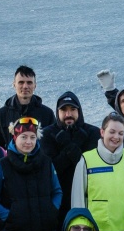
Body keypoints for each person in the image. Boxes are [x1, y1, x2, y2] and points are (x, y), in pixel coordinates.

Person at [43, 91, 101, 222]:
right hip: (58, 197)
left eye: (73, 109)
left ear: (79, 111)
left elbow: (88, 167)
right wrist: (73, 145)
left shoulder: (93, 133)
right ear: (57, 112)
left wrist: (68, 145)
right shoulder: (47, 134)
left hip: (88, 195)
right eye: (64, 110)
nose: (68, 114)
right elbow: (52, 169)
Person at [0, 65, 55, 147]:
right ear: (14, 84)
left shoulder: (47, 113)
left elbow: (53, 143)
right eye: (21, 82)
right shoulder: (2, 114)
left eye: (29, 82)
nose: (25, 86)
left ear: (35, 86)